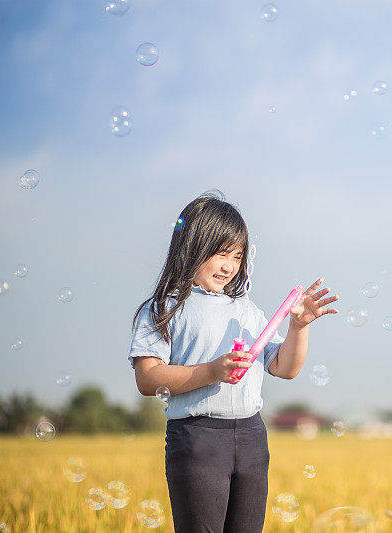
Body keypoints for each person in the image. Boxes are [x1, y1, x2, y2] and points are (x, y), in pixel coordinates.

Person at [128, 191, 338, 532]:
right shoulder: (165, 308)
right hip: (198, 437)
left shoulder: (246, 311)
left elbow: (285, 368)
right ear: (192, 247)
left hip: (252, 435)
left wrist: (298, 327)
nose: (229, 266)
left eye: (237, 257)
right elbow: (148, 378)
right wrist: (213, 371)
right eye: (221, 254)